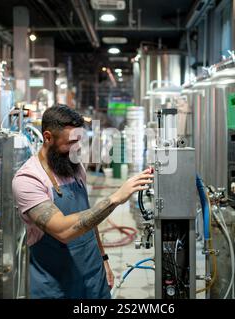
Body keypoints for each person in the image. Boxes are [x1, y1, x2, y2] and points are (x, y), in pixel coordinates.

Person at [12, 104, 153, 299]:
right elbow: (62, 230)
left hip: (93, 278)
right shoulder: (28, 179)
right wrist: (114, 199)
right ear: (47, 137)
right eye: (71, 142)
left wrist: (103, 259)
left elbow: (88, 219)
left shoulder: (74, 168)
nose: (77, 148)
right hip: (56, 287)